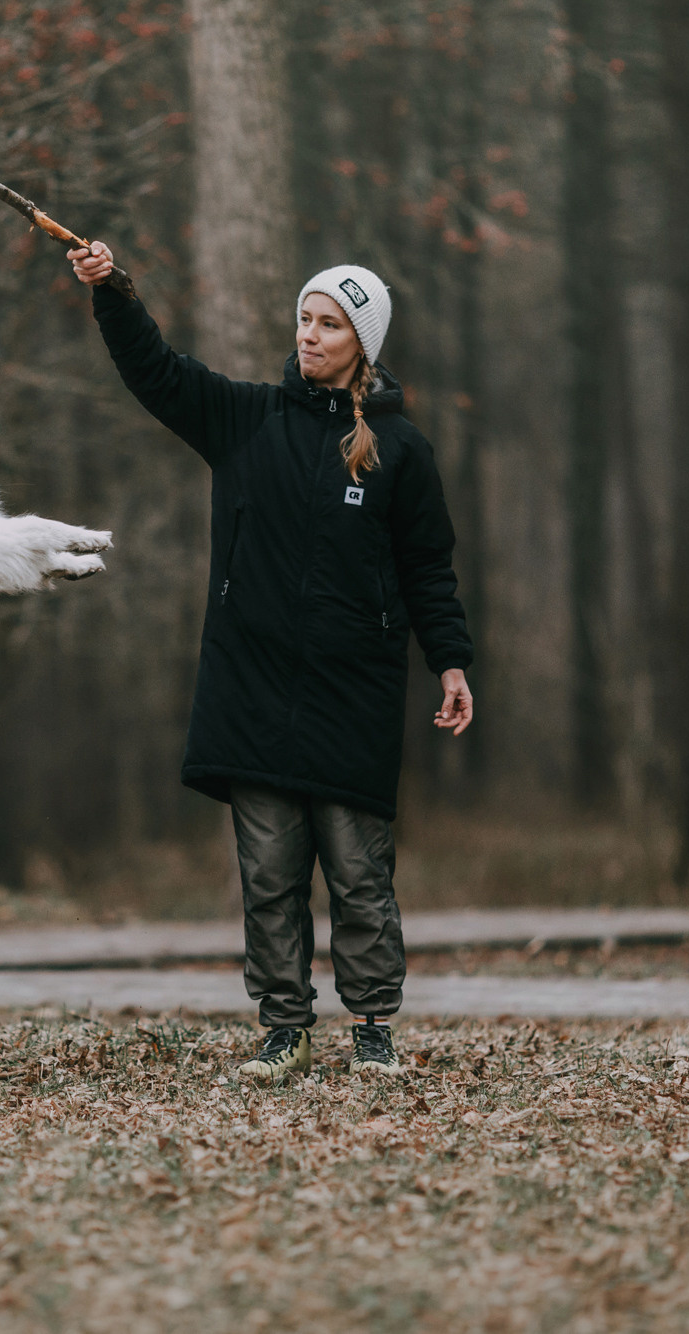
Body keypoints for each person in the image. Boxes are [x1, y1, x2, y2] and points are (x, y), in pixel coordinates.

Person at [70, 242, 474, 1082]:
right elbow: (159, 373)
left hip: (353, 694)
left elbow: (428, 569)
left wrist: (451, 664)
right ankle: (283, 1030)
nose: (311, 335)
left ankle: (371, 1031)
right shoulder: (248, 419)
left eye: (330, 324)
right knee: (270, 876)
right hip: (250, 690)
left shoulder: (401, 451)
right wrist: (114, 291)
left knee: (360, 875)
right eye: (305, 319)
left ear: (364, 340)